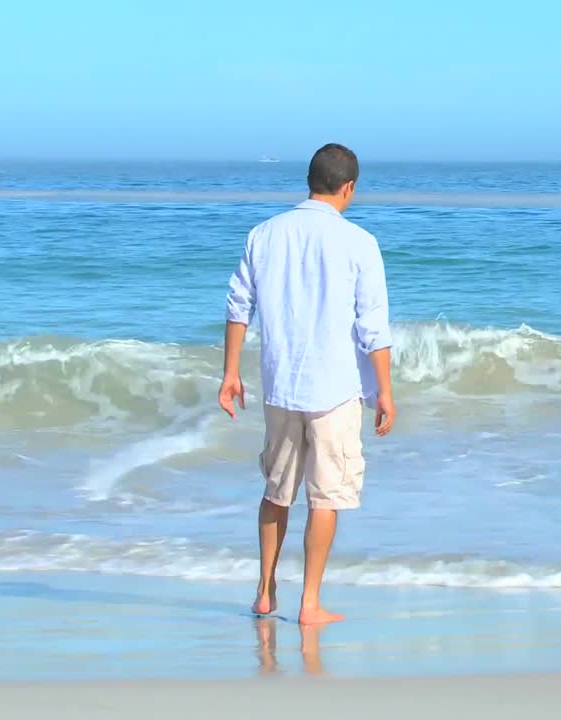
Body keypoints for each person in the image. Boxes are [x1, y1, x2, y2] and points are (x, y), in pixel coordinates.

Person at [219, 143, 396, 625]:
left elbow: (238, 305)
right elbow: (373, 326)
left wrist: (231, 373)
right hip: (334, 389)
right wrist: (384, 390)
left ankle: (264, 591)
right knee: (326, 497)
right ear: (349, 188)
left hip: (280, 385)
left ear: (310, 181)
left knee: (276, 490)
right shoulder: (359, 242)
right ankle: (310, 603)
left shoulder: (264, 234)